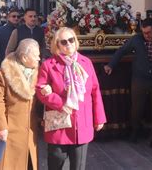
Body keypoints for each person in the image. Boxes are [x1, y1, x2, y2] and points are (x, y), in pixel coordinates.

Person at [37, 27, 106, 169]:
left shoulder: (86, 62)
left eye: (71, 40)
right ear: (57, 45)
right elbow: (40, 89)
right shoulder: (48, 65)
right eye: (63, 41)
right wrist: (61, 103)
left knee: (78, 167)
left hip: (82, 123)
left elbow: (95, 90)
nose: (68, 44)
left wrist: (99, 117)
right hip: (59, 125)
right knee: (56, 164)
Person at [104, 18, 152, 151]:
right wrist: (111, 64)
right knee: (137, 108)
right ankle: (134, 132)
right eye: (144, 32)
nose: (146, 35)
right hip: (139, 80)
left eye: (148, 33)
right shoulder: (137, 39)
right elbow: (122, 51)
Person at [0, 39, 44, 170]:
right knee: (3, 163)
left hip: (30, 129)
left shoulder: (39, 72)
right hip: (8, 128)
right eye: (36, 55)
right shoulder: (2, 73)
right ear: (24, 57)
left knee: (28, 163)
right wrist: (1, 127)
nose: (39, 58)